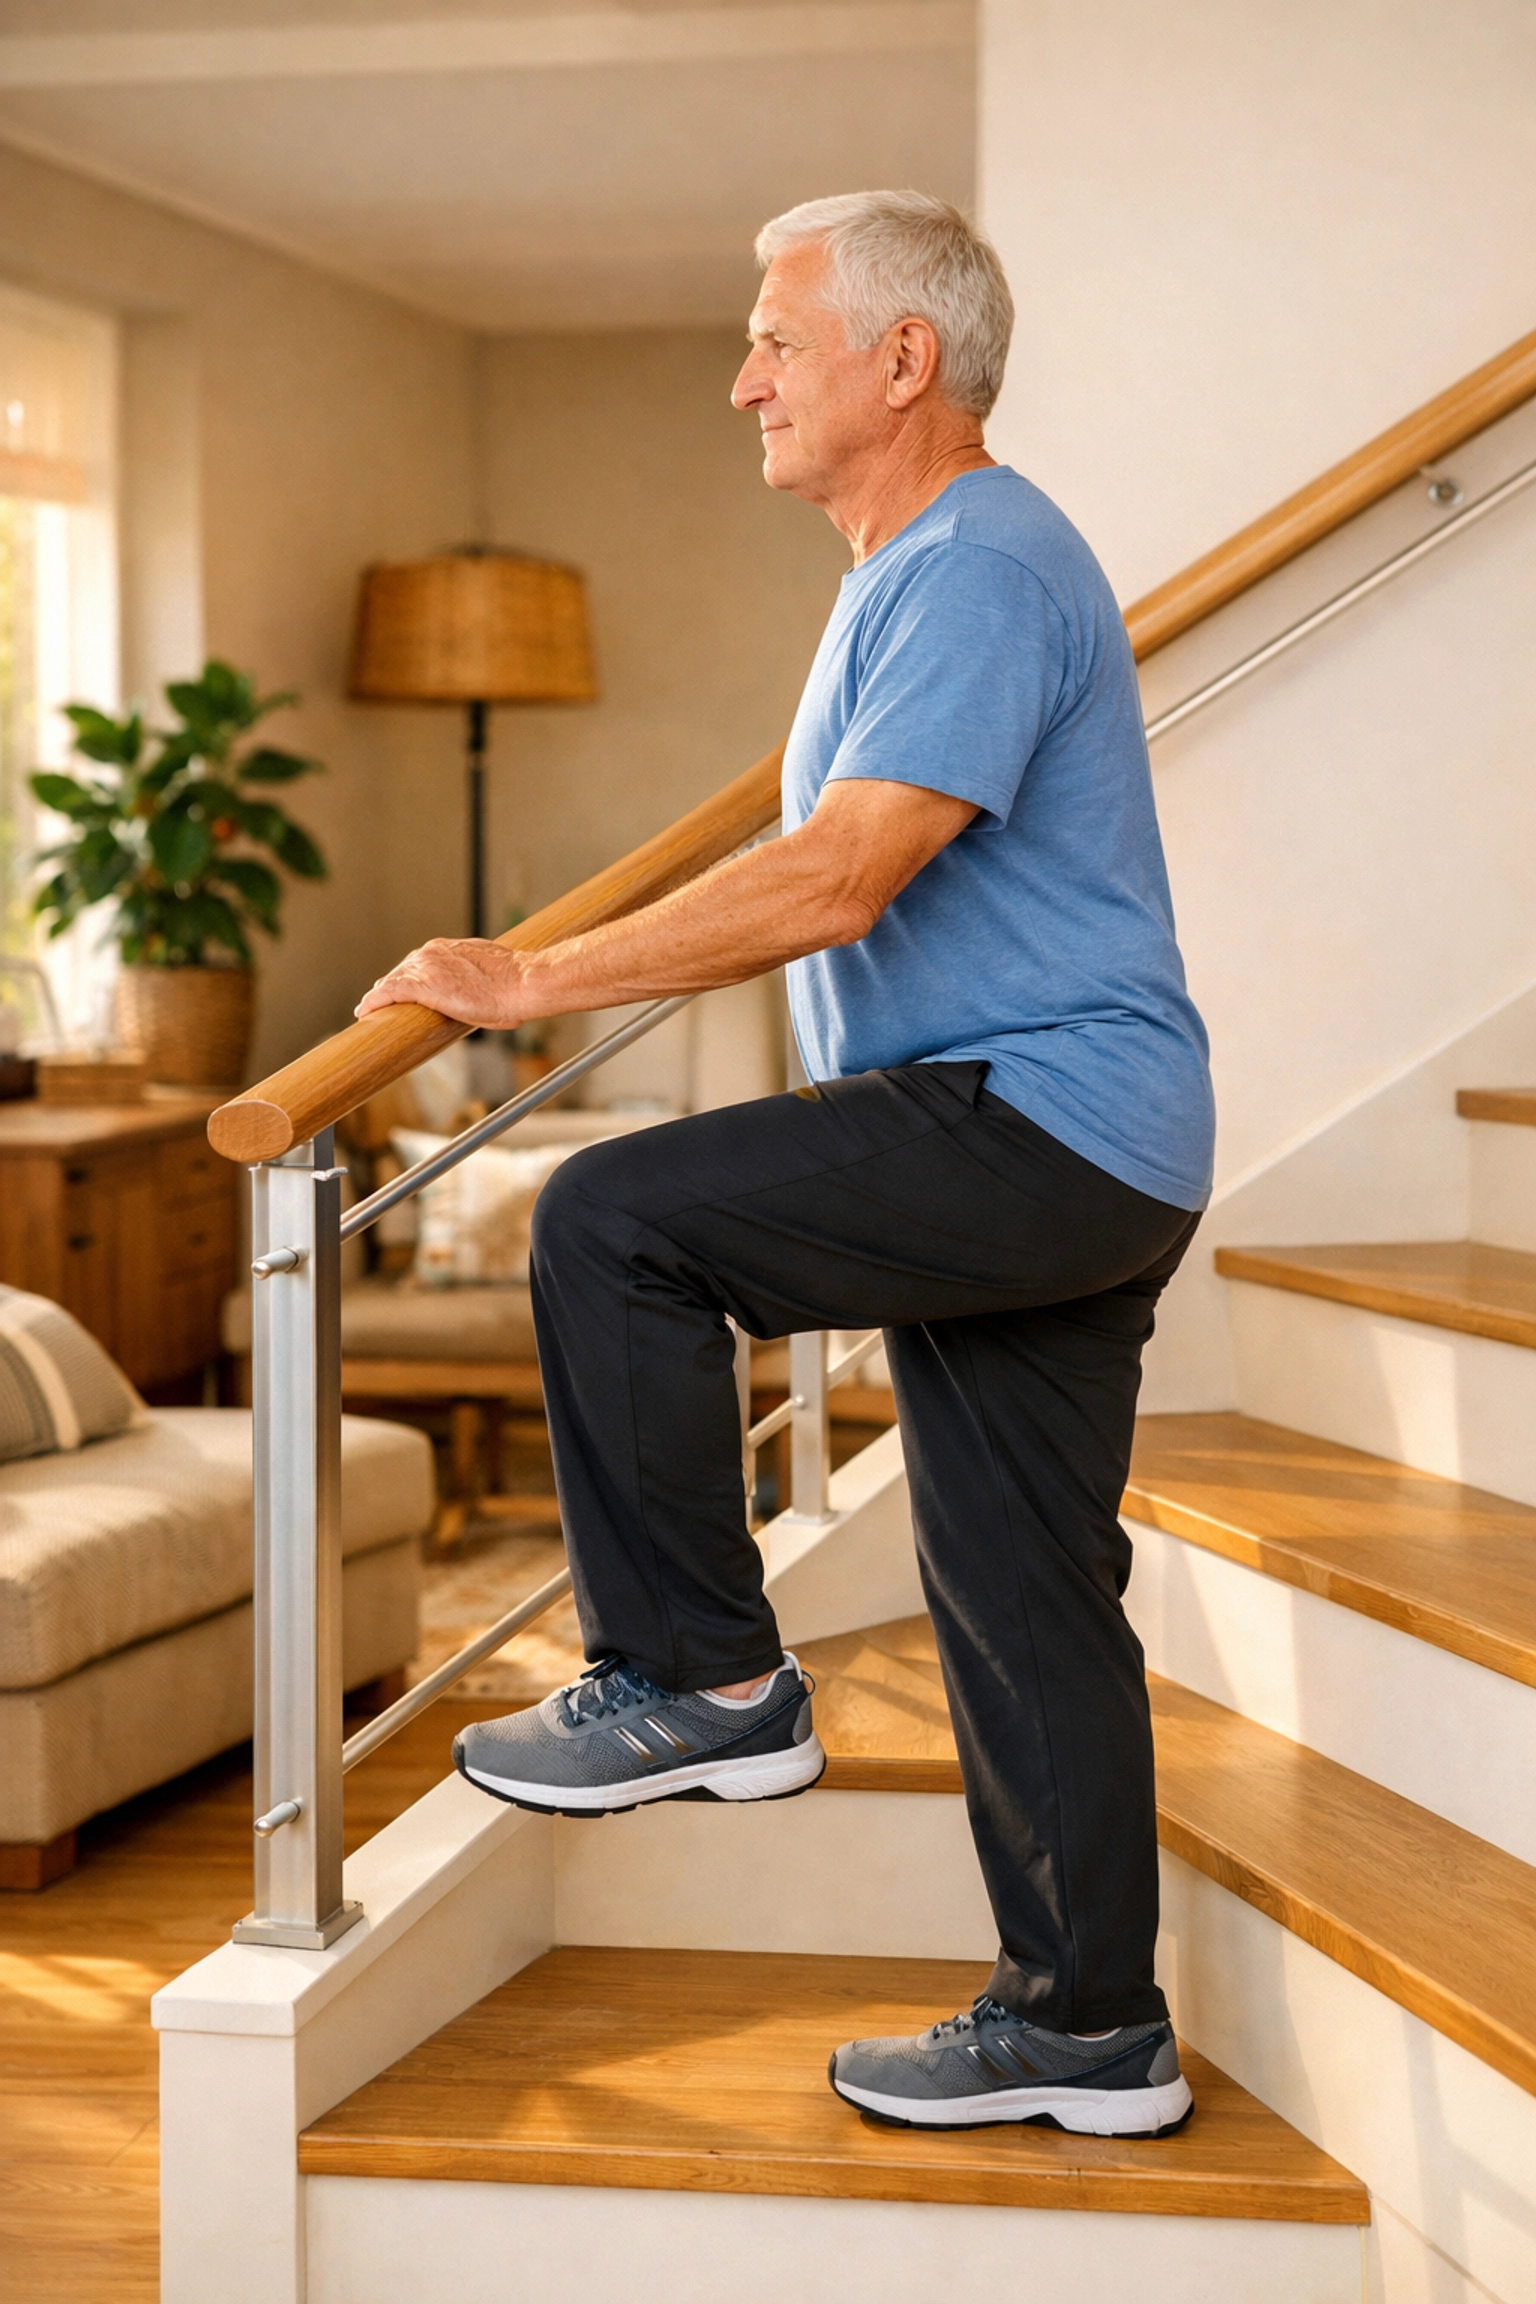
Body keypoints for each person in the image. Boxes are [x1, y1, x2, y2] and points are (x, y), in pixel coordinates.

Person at [356, 191, 1215, 2140]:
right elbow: (826, 841)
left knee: (611, 1220)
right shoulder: (910, 569)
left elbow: (838, 875)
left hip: (1030, 1116)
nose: (742, 375)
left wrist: (530, 976)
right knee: (1017, 1588)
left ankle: (700, 1680)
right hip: (1089, 1137)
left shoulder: (980, 561)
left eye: (775, 336)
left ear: (900, 362)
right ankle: (1086, 2026)